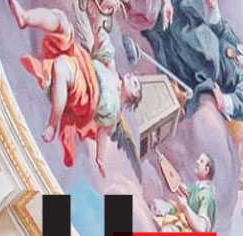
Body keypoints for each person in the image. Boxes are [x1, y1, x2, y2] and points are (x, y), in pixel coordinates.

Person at [8, 0, 143, 171]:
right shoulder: (113, 72)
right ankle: (25, 18)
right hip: (80, 60)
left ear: (131, 97)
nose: (132, 77)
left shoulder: (114, 114)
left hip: (84, 89)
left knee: (62, 68)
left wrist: (100, 159)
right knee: (62, 21)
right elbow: (102, 38)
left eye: (136, 84)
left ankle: (52, 124)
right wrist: (106, 9)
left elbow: (102, 136)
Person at [144, 0, 243, 120]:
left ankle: (175, 18)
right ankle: (172, 9)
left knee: (198, 35)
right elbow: (221, 30)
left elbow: (242, 102)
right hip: (207, 44)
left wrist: (224, 101)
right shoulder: (238, 45)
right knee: (195, 15)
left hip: (211, 65)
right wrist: (213, 7)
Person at [153, 150, 216, 231]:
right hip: (180, 220)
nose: (197, 162)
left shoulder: (207, 196)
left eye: (201, 161)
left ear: (206, 170)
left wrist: (185, 207)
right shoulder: (195, 188)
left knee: (167, 230)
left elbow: (201, 228)